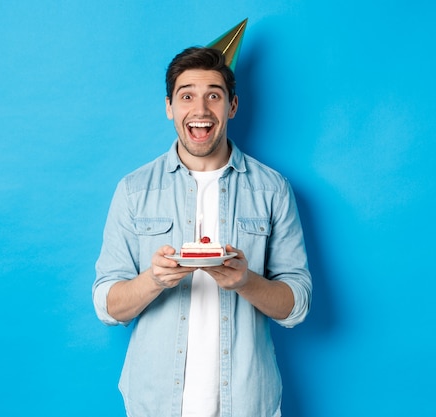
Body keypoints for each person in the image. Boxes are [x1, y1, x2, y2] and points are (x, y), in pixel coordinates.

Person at [93, 43, 312, 417]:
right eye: (186, 96)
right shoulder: (133, 190)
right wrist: (155, 279)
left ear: (232, 106)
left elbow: (297, 305)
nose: (200, 110)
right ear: (169, 108)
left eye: (214, 95)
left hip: (246, 403)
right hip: (154, 403)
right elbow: (107, 306)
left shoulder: (272, 189)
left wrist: (245, 280)